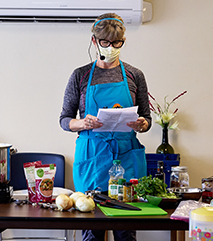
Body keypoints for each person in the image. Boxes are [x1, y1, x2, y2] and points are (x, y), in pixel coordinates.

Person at [59, 13, 152, 241]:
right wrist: (82, 123)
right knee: (92, 229)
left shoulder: (134, 75)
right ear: (94, 41)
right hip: (93, 157)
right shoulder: (80, 76)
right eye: (105, 43)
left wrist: (142, 124)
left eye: (116, 43)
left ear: (123, 42)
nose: (111, 47)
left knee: (125, 231)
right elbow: (64, 119)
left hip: (126, 157)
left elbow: (147, 118)